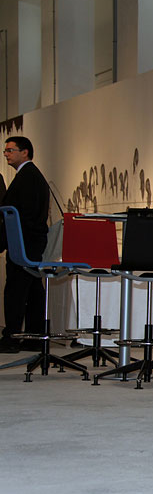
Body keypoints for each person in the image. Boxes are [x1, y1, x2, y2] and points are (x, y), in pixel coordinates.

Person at [0, 136, 51, 353]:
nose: (6, 154)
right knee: (32, 290)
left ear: (25, 152)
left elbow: (25, 214)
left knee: (16, 290)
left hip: (24, 242)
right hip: (28, 241)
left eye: (10, 150)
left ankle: (12, 338)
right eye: (5, 151)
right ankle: (33, 337)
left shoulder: (28, 176)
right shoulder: (29, 175)